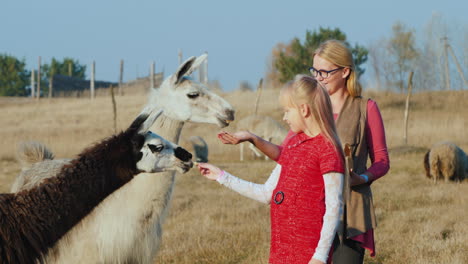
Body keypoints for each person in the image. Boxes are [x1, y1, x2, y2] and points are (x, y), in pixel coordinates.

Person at [198, 75, 345, 264]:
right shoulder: (292, 144)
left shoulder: (327, 150)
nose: (284, 118)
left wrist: (320, 256)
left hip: (308, 257)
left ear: (304, 110)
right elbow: (268, 193)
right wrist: (221, 176)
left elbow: (334, 207)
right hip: (279, 255)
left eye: (287, 111)